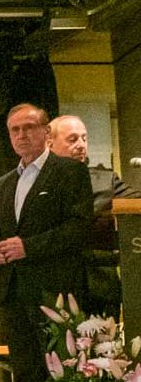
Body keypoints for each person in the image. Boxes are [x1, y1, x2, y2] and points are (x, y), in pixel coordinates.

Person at [0, 103, 93, 382]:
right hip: (16, 293)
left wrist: (29, 247)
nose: (21, 135)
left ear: (46, 133)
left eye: (29, 128)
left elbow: (80, 228)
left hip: (56, 292)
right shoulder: (5, 183)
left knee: (63, 371)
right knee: (28, 372)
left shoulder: (67, 173)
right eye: (14, 129)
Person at [48, 114, 141, 319]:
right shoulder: (37, 181)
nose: (81, 145)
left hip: (100, 285)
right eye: (72, 139)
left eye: (84, 138)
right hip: (55, 287)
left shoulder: (105, 179)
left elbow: (136, 202)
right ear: (50, 143)